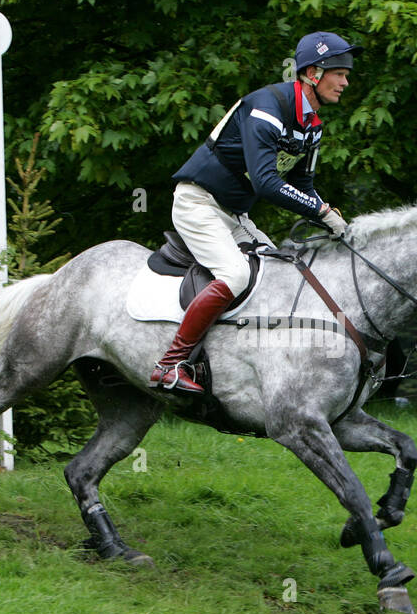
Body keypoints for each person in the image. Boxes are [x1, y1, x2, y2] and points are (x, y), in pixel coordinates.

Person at [147, 31, 360, 394]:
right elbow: (265, 183)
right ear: (312, 73)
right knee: (235, 274)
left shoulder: (312, 126)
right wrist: (321, 211)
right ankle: (169, 365)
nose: (345, 81)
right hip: (197, 203)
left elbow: (303, 186)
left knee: (279, 272)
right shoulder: (266, 108)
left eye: (346, 73)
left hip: (233, 215)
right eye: (338, 72)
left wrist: (333, 221)